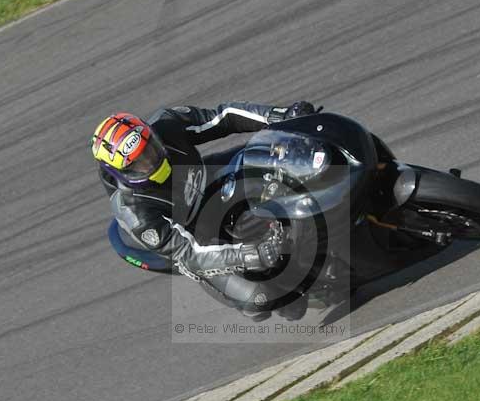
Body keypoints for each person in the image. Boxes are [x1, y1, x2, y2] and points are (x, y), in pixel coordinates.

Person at [91, 101, 317, 321]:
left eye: (149, 149)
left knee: (280, 150)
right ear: (122, 173)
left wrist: (279, 115)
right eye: (139, 163)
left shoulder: (167, 124)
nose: (151, 161)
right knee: (263, 298)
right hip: (196, 237)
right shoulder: (135, 212)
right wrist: (249, 255)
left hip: (207, 181)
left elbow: (223, 117)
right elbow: (190, 254)